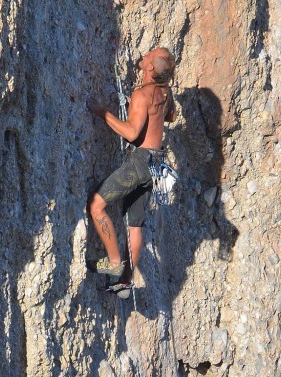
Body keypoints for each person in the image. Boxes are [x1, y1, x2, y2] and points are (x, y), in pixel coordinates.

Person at [86, 47, 176, 298]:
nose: (146, 53)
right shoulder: (165, 91)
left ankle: (114, 261)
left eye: (150, 54)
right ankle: (125, 283)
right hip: (155, 164)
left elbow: (131, 134)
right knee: (135, 225)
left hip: (139, 163)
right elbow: (171, 116)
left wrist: (101, 112)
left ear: (149, 68)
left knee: (96, 206)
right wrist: (144, 112)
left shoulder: (142, 94)